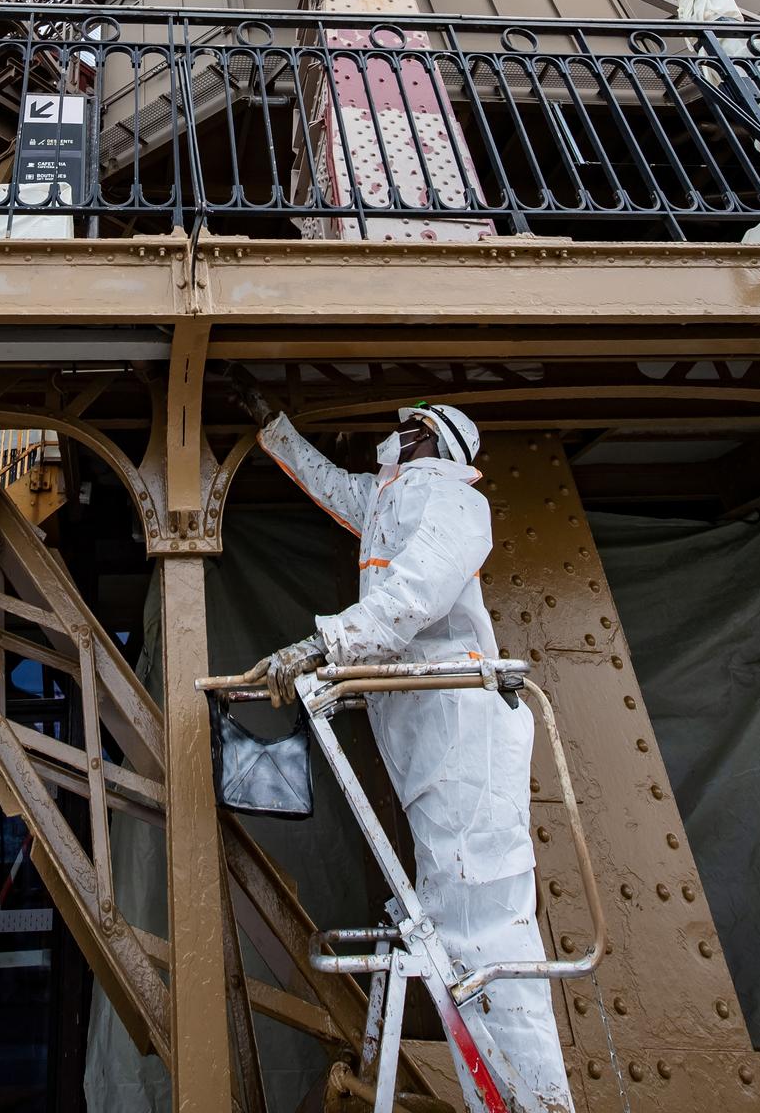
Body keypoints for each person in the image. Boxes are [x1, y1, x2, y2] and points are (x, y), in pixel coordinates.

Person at [225, 376, 574, 1113]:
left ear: (429, 438)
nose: (391, 437)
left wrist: (325, 646)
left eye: (404, 428)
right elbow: (328, 486)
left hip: (463, 730)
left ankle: (538, 1103)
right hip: (428, 735)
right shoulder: (392, 500)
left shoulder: (450, 496)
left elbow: (419, 590)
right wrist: (271, 424)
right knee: (457, 926)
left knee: (487, 933)